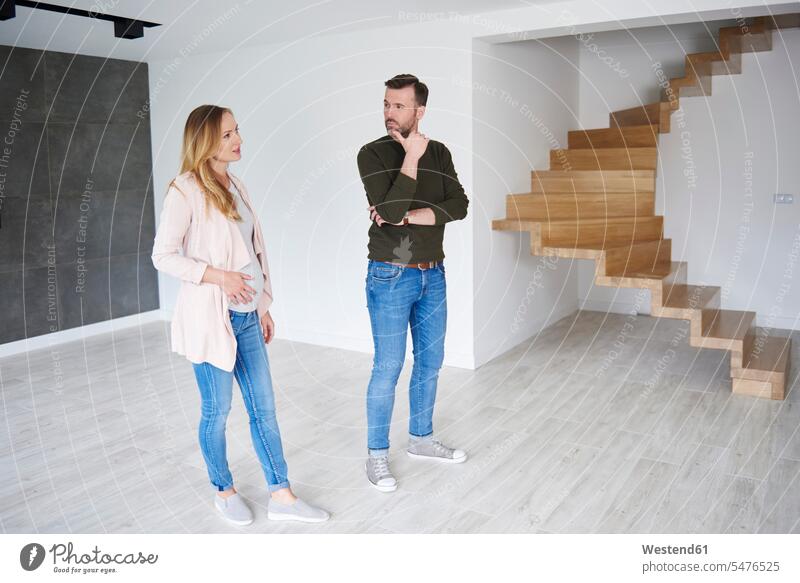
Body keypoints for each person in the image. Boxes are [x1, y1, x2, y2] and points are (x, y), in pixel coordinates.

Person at [151, 105, 329, 524]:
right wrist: (217, 277)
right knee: (217, 411)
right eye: (229, 134)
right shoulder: (184, 189)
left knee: (263, 408)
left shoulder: (236, 184)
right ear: (207, 140)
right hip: (211, 320)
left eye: (237, 131)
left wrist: (262, 305)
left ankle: (281, 496)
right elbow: (163, 256)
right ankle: (223, 489)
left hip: (248, 316)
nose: (238, 140)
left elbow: (252, 252)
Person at [356, 74, 470, 493]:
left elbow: (459, 206)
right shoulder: (372, 153)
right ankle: (377, 457)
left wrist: (406, 217)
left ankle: (421, 440)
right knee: (387, 366)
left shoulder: (439, 152)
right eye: (386, 104)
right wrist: (410, 158)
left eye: (399, 106)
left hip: (432, 272)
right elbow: (388, 204)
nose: (389, 112)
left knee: (430, 362)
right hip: (390, 272)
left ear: (419, 111)